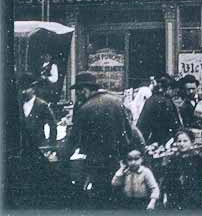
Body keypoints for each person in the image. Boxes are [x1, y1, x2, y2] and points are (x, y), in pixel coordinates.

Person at [59, 71, 138, 209]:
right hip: (116, 161)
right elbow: (129, 133)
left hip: (95, 164)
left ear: (84, 90)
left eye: (78, 92)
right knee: (115, 200)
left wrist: (61, 156)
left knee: (98, 200)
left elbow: (73, 140)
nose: (78, 96)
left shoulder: (85, 108)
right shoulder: (116, 102)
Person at [161, 129, 202, 211]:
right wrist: (165, 195)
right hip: (175, 196)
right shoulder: (173, 159)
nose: (182, 144)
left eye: (185, 141)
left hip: (193, 195)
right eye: (179, 141)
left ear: (191, 142)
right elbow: (167, 179)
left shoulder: (197, 158)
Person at [137, 75, 182, 147]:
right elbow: (173, 124)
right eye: (174, 92)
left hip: (150, 141)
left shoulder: (151, 99)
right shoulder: (165, 101)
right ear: (169, 88)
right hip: (162, 141)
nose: (174, 95)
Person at [20, 73, 57, 150]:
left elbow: (52, 124)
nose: (23, 92)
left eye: (26, 88)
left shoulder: (41, 105)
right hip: (22, 147)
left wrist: (51, 145)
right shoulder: (18, 105)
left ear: (33, 89)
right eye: (22, 89)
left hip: (39, 146)